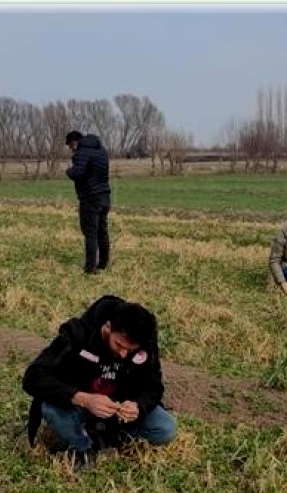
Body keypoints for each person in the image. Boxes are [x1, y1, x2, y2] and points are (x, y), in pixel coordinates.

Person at [23, 295, 176, 471]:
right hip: (77, 405)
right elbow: (33, 377)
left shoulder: (144, 343)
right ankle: (82, 446)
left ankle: (105, 435)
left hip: (118, 411)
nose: (124, 354)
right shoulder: (77, 334)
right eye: (119, 345)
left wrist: (138, 406)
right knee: (51, 410)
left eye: (130, 350)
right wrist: (83, 399)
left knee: (165, 429)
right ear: (108, 327)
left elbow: (154, 386)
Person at [65, 130, 112, 275]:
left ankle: (90, 268)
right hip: (105, 195)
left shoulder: (82, 152)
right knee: (102, 231)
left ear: (74, 143)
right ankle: (103, 264)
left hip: (90, 197)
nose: (71, 150)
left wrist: (69, 171)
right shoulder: (102, 151)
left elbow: (79, 173)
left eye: (70, 146)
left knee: (90, 232)